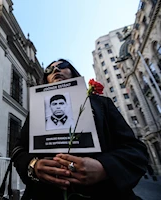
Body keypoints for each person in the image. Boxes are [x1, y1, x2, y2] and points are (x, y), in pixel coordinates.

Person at [12, 59, 148, 200]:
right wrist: (33, 165)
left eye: (62, 66)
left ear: (72, 71)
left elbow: (135, 150)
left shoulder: (102, 104)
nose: (56, 71)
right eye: (49, 70)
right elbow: (18, 150)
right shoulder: (37, 110)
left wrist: (104, 167)